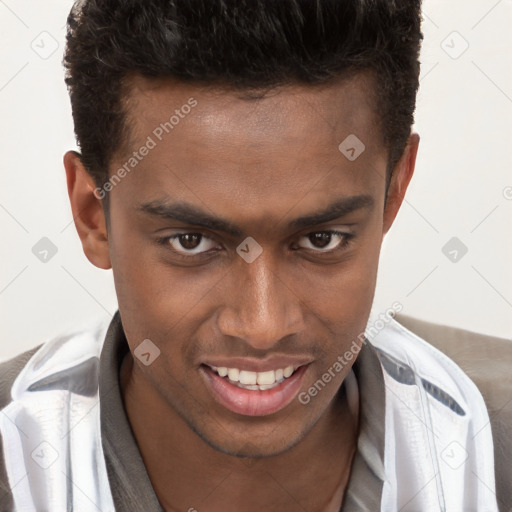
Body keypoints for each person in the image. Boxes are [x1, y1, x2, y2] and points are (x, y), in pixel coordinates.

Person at [0, 0, 500, 510]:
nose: (262, 326)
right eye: (190, 241)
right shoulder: (15, 458)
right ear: (93, 215)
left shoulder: (492, 450)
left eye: (322, 239)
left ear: (393, 192)